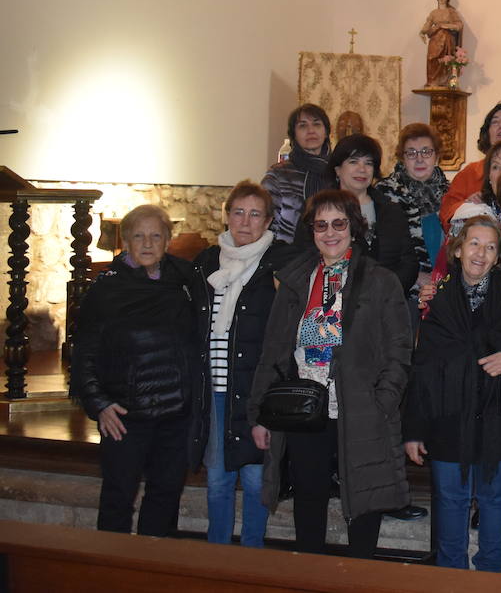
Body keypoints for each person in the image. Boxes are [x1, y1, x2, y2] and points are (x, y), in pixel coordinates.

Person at [248, 190, 411, 558]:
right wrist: (259, 413)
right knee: (308, 498)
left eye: (339, 223)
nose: (330, 232)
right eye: (321, 225)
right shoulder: (295, 280)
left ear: (354, 227)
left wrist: (383, 400)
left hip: (361, 408)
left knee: (365, 502)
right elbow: (272, 350)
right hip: (306, 408)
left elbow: (400, 350)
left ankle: (359, 580)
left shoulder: (380, 280)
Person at [72, 204, 209, 536]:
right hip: (125, 415)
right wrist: (99, 404)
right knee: (118, 499)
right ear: (126, 241)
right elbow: (84, 354)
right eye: (139, 236)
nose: (147, 244)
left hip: (175, 414)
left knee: (165, 498)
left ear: (167, 240)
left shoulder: (187, 279)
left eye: (156, 236)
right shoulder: (106, 288)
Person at [403, 215, 501, 571]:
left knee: (497, 500)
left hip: (500, 417)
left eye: (490, 247)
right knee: (451, 500)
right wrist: (413, 430)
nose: (481, 253)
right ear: (457, 250)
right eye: (474, 243)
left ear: (498, 255)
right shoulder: (438, 300)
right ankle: (451, 576)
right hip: (448, 415)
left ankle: (490, 577)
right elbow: (422, 368)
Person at [195, 182, 291, 547]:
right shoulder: (206, 261)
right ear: (227, 215)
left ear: (267, 221)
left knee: (254, 480)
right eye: (238, 212)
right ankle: (217, 554)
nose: (245, 221)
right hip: (215, 389)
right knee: (218, 479)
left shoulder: (278, 262)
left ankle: (253, 553)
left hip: (255, 393)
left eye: (255, 214)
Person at [297, 134, 420, 295]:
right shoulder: (317, 209)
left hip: (386, 301)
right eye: (353, 161)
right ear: (337, 169)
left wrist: (385, 290)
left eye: (368, 163)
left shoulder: (391, 210)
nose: (362, 169)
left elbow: (409, 262)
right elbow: (303, 257)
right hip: (333, 301)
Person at [376, 123, 450, 326]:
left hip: (445, 292)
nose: (419, 159)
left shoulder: (451, 193)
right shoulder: (385, 193)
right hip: (405, 291)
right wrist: (416, 276)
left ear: (436, 156)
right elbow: (379, 249)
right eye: (411, 153)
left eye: (426, 151)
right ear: (402, 157)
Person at [262, 103, 332, 243]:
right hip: (285, 255)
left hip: (332, 250)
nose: (311, 130)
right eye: (303, 126)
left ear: (326, 133)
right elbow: (264, 222)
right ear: (293, 135)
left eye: (317, 124)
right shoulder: (278, 175)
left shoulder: (337, 172)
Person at [420, 0, 464, 86]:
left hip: (447, 39)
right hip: (435, 40)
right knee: (432, 59)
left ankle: (445, 81)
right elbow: (428, 24)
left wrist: (446, 26)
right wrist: (422, 32)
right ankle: (432, 81)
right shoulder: (433, 13)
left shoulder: (451, 12)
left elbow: (459, 25)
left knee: (445, 60)